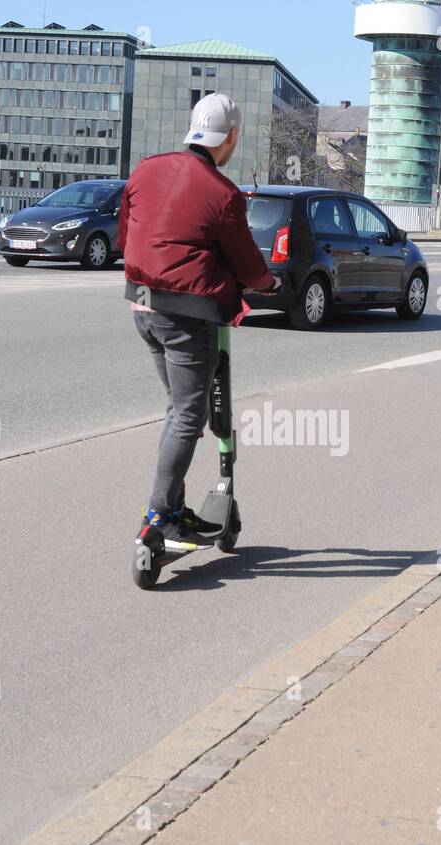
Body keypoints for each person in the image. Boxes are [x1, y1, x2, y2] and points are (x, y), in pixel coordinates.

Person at [119, 93, 280, 543]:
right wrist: (268, 284)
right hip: (187, 315)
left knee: (178, 413)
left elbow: (126, 232)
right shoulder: (223, 193)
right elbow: (247, 264)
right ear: (229, 138)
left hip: (143, 306)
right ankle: (159, 516)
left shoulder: (145, 169)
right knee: (189, 416)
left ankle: (175, 508)